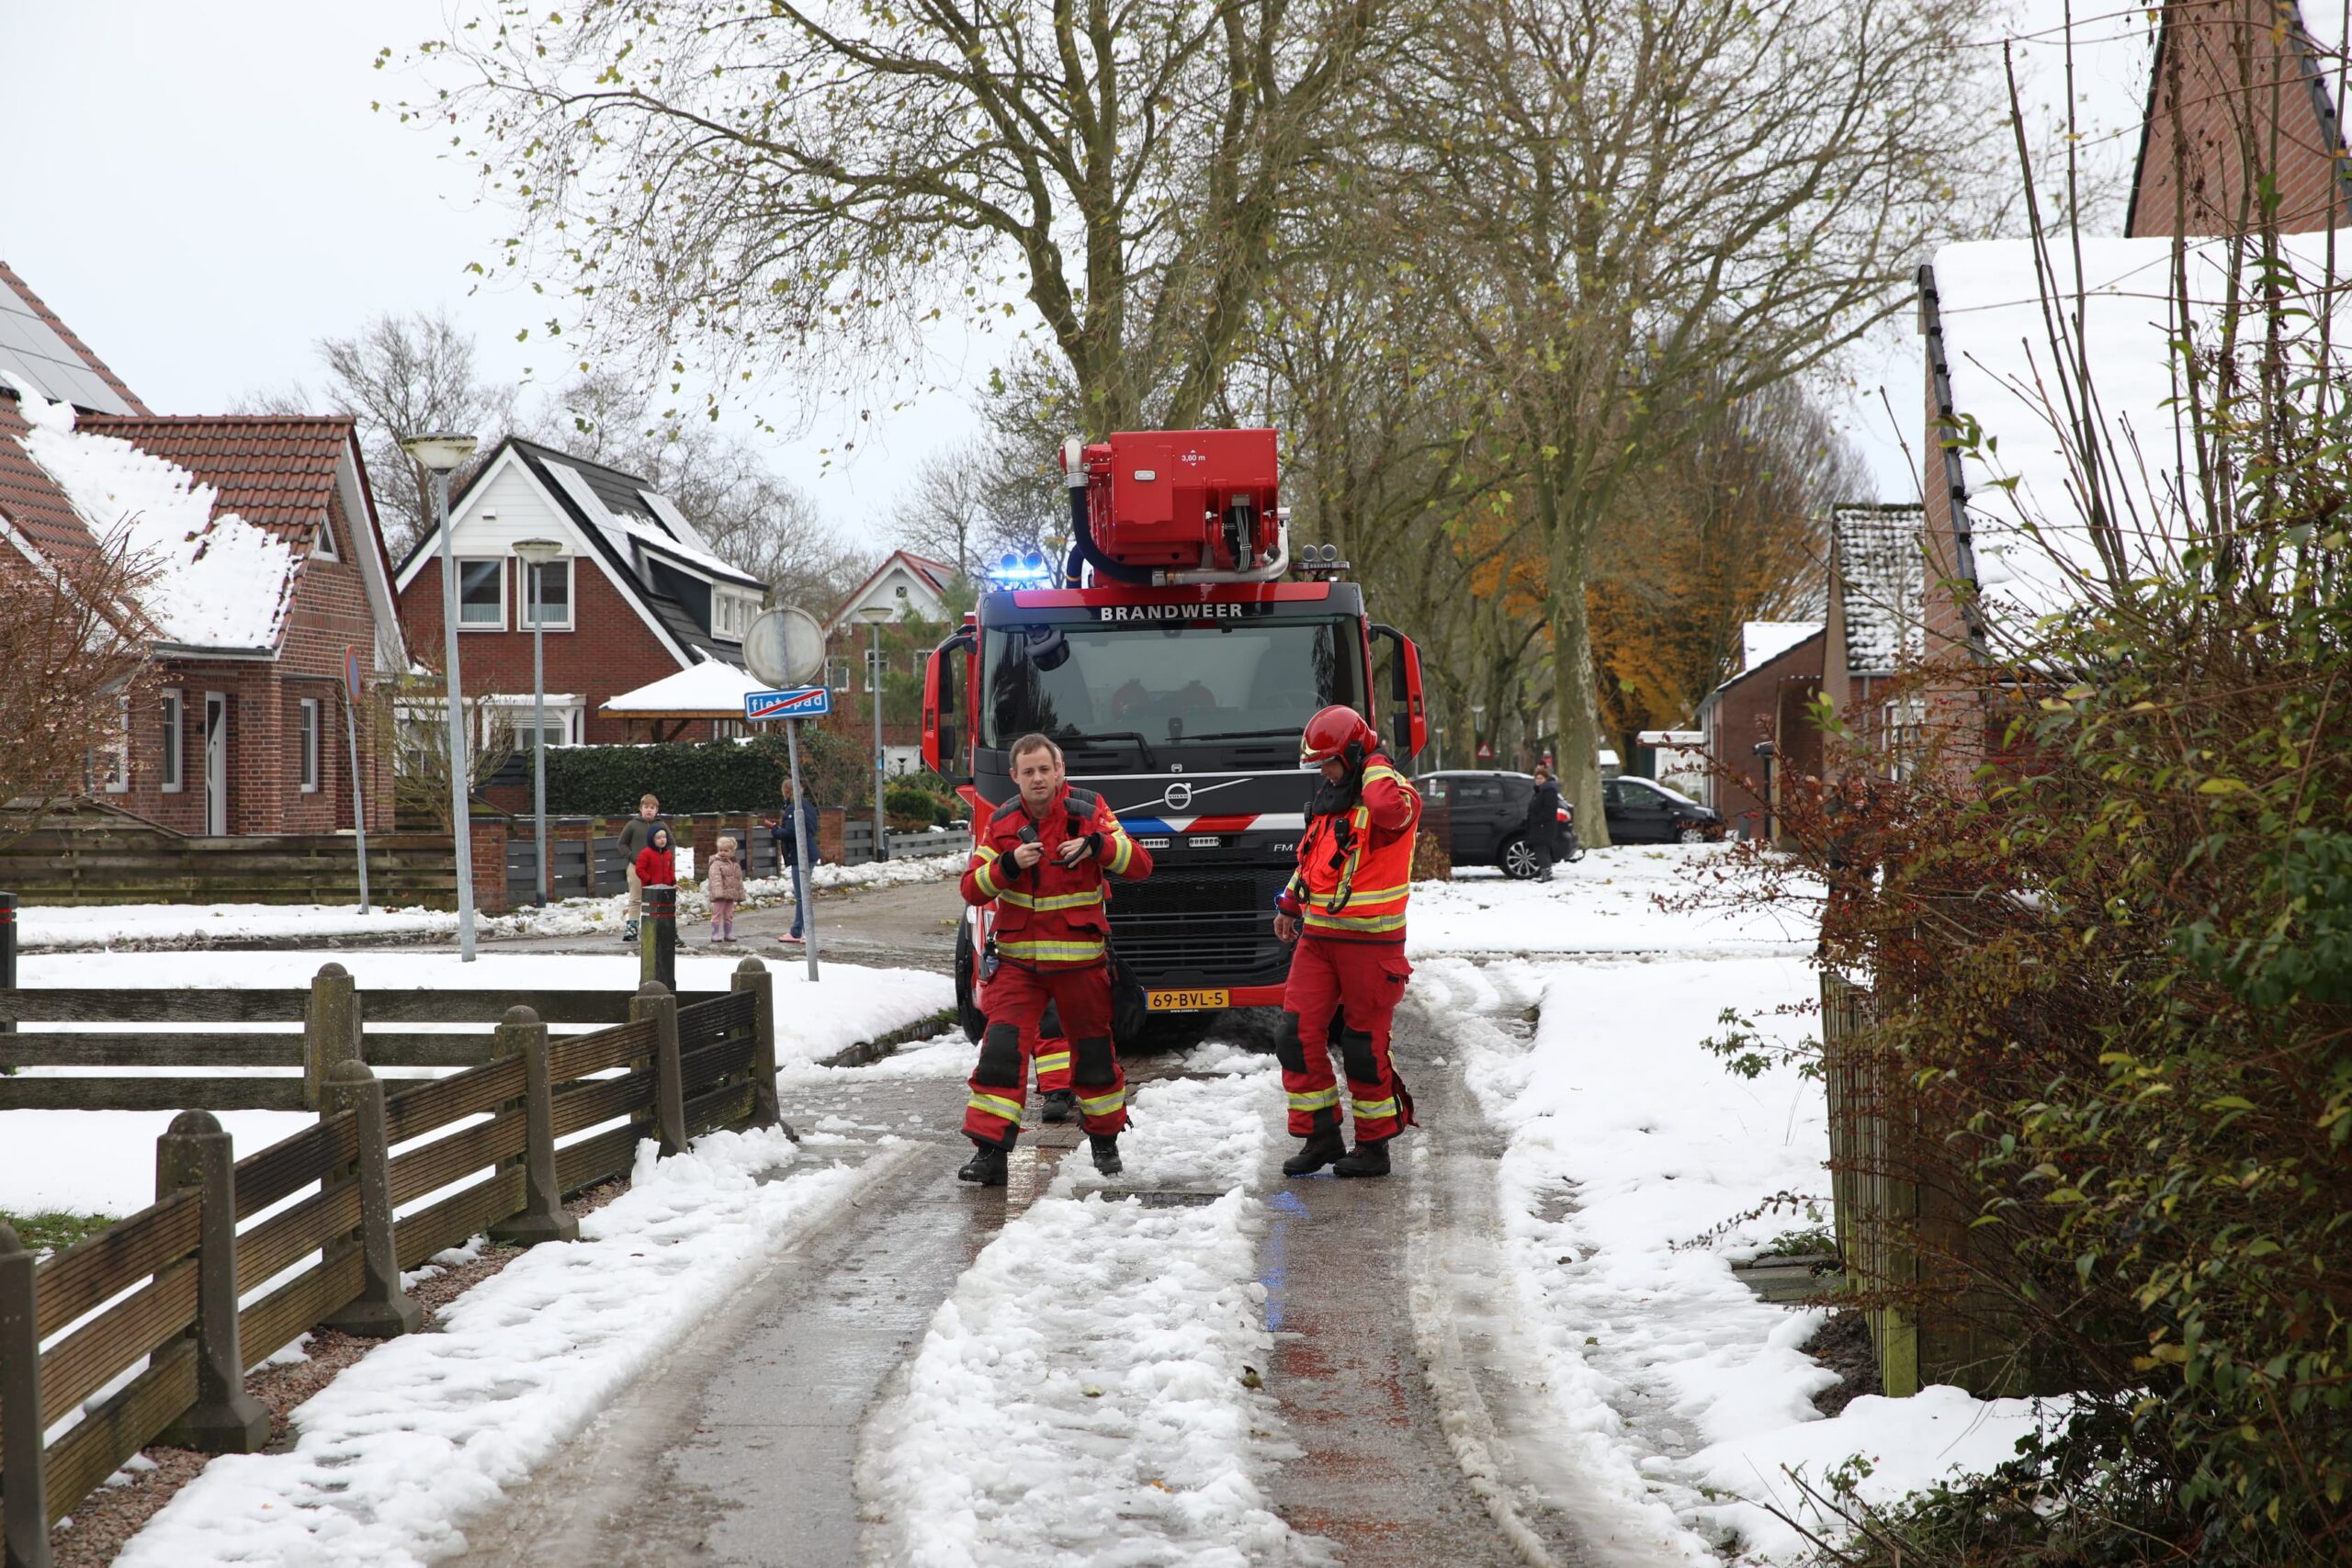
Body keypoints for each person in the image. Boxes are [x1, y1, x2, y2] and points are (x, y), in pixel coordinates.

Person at [956, 732, 1153, 1186]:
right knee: (1000, 1052)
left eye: (1046, 769)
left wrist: (1098, 847)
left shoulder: (1089, 810)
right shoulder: (1002, 822)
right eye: (1029, 772)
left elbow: (1140, 864)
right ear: (1015, 777)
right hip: (1019, 968)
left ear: (1060, 770)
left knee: (1095, 1057)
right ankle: (991, 1154)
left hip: (1081, 966)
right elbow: (971, 888)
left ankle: (1105, 1142)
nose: (1038, 778)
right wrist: (1008, 865)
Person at [1273, 705, 1422, 1178]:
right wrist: (1290, 904)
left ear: (1358, 753)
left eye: (1331, 762)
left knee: (1362, 1045)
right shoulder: (1331, 797)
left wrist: (1376, 763)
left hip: (1372, 947)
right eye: (1320, 765)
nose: (1325, 772)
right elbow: (1315, 861)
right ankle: (1321, 1137)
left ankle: (1374, 1148)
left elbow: (1384, 810)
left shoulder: (1395, 796)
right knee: (1294, 1035)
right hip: (1319, 940)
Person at [766, 780, 821, 946]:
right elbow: (811, 827)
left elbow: (791, 832)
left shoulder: (793, 809)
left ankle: (798, 931)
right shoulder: (808, 806)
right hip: (809, 853)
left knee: (801, 897)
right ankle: (801, 931)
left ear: (786, 792)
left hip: (800, 856)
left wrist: (775, 830)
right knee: (803, 896)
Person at [616, 794, 668, 942]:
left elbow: (670, 843)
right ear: (640, 809)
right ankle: (632, 928)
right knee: (636, 898)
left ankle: (655, 928)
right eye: (646, 807)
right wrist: (633, 857)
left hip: (657, 868)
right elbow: (621, 844)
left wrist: (667, 859)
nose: (649, 810)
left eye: (652, 808)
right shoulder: (632, 825)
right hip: (636, 868)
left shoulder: (661, 826)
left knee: (656, 898)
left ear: (657, 810)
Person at [633, 823, 679, 943]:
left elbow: (670, 869)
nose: (662, 840)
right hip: (652, 889)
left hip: (667, 888)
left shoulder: (668, 854)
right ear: (652, 840)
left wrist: (673, 882)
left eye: (664, 837)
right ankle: (651, 935)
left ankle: (672, 934)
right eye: (658, 838)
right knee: (654, 912)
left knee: (669, 911)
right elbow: (639, 869)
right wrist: (649, 881)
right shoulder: (645, 853)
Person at [706, 835, 746, 942]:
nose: (723, 852)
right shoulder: (716, 864)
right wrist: (718, 893)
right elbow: (715, 879)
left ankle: (728, 933)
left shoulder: (735, 864)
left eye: (726, 850)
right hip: (720, 894)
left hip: (730, 894)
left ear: (732, 851)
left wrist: (739, 893)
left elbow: (738, 880)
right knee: (717, 914)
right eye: (720, 850)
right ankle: (715, 933)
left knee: (729, 914)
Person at [1525, 763, 1562, 881]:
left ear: (1546, 779)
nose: (1538, 781)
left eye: (1541, 778)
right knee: (1542, 850)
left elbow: (1549, 810)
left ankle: (1546, 874)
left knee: (1541, 850)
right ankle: (1546, 873)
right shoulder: (1539, 791)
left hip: (1544, 826)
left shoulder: (1549, 791)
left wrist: (1537, 820)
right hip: (1539, 826)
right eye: (1537, 778)